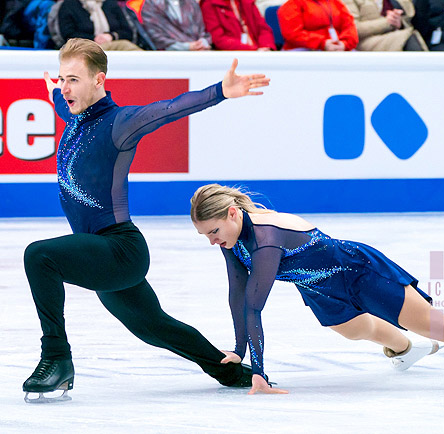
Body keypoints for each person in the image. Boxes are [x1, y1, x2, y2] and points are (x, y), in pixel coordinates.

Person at [22, 38, 270, 403]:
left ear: (99, 80)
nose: (65, 88)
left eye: (73, 79)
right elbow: (61, 101)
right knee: (155, 327)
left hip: (120, 249)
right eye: (62, 79)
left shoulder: (119, 123)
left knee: (39, 256)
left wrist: (220, 92)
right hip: (102, 256)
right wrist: (55, 91)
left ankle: (56, 358)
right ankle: (227, 370)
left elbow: (167, 109)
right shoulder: (73, 113)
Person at [190, 184, 444, 395]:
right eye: (205, 235)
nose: (211, 241)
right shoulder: (232, 241)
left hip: (357, 272)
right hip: (317, 287)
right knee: (356, 330)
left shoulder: (266, 239)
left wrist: (259, 370)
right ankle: (406, 349)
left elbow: (255, 306)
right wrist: (239, 350)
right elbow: (238, 295)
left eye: (214, 232)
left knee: (439, 326)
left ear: (233, 214)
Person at [341, 0, 428, 51]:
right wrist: (387, 22)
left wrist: (399, 22)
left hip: (394, 34)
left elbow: (409, 17)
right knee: (407, 38)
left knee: (412, 35)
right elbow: (353, 29)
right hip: (366, 41)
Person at [58, 0, 143, 50]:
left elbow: (128, 32)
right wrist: (94, 39)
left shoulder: (110, 4)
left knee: (127, 47)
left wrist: (111, 36)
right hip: (82, 48)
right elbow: (68, 35)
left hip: (115, 46)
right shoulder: (69, 5)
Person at [277, 0, 358, 51]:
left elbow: (349, 26)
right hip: (305, 49)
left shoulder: (336, 3)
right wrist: (322, 43)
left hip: (337, 48)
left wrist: (344, 44)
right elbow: (292, 34)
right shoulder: (292, 4)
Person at [200, 0, 276, 50]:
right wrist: (254, 50)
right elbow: (219, 39)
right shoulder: (209, 4)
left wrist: (266, 47)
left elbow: (264, 29)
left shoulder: (246, 2)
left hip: (260, 53)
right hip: (233, 57)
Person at [141, 0, 212, 51]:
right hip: (167, 57)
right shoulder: (150, 4)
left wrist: (202, 43)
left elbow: (203, 30)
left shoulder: (191, 3)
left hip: (198, 54)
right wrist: (187, 47)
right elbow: (155, 36)